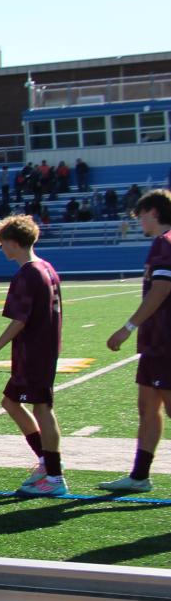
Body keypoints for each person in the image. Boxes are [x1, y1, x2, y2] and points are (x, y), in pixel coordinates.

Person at [0, 216, 66, 497]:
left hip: (34, 352)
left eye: (3, 244)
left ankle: (55, 475)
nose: (2, 249)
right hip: (40, 350)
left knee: (42, 408)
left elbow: (18, 321)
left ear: (13, 243)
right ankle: (44, 461)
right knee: (10, 402)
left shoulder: (27, 274)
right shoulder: (47, 268)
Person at [99, 188, 171, 494]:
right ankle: (139, 475)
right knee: (147, 407)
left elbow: (161, 290)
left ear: (153, 212)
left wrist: (127, 327)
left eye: (140, 214)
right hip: (155, 342)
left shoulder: (163, 244)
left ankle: (140, 475)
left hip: (165, 342)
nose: (139, 220)